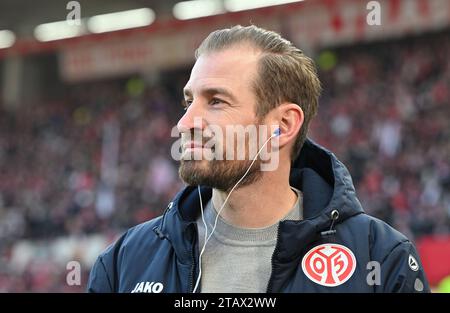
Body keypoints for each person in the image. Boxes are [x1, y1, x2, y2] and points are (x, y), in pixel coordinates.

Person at [87, 25, 430, 293]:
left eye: (216, 101)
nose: (185, 123)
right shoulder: (124, 262)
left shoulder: (382, 259)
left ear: (282, 125)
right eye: (188, 101)